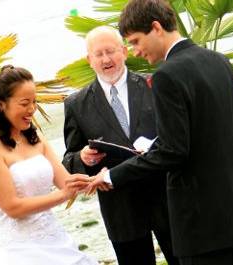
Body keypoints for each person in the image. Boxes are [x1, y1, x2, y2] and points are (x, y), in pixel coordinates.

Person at [88, 1, 233, 265]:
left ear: (156, 27)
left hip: (199, 227)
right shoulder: (219, 61)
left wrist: (113, 175)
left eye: (136, 41)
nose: (136, 51)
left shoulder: (166, 76)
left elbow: (173, 151)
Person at [62, 26, 178, 265]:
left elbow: (174, 138)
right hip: (120, 210)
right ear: (89, 60)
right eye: (98, 54)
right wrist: (82, 159)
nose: (106, 59)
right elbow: (68, 159)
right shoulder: (76, 104)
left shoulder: (153, 85)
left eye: (111, 51)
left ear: (124, 52)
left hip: (166, 198)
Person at [0, 65, 98, 265]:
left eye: (34, 101)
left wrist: (97, 178)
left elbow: (66, 182)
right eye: (24, 103)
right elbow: (13, 207)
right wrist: (62, 195)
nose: (32, 109)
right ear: (1, 105)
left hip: (56, 241)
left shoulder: (34, 136)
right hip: (20, 252)